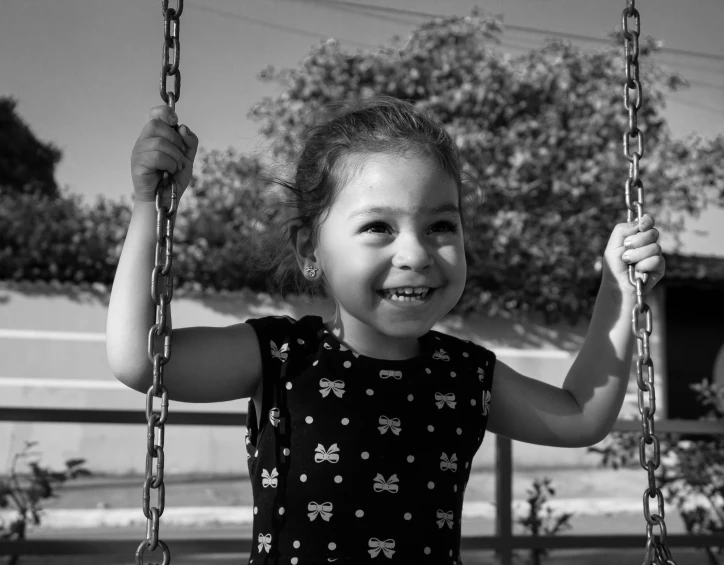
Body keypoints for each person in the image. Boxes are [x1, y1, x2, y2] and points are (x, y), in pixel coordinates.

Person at [106, 96, 665, 565]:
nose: (417, 254)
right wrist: (150, 207)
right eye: (378, 226)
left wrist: (617, 290)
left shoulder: (465, 374)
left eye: (441, 225)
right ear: (310, 250)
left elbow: (582, 415)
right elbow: (142, 359)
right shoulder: (280, 355)